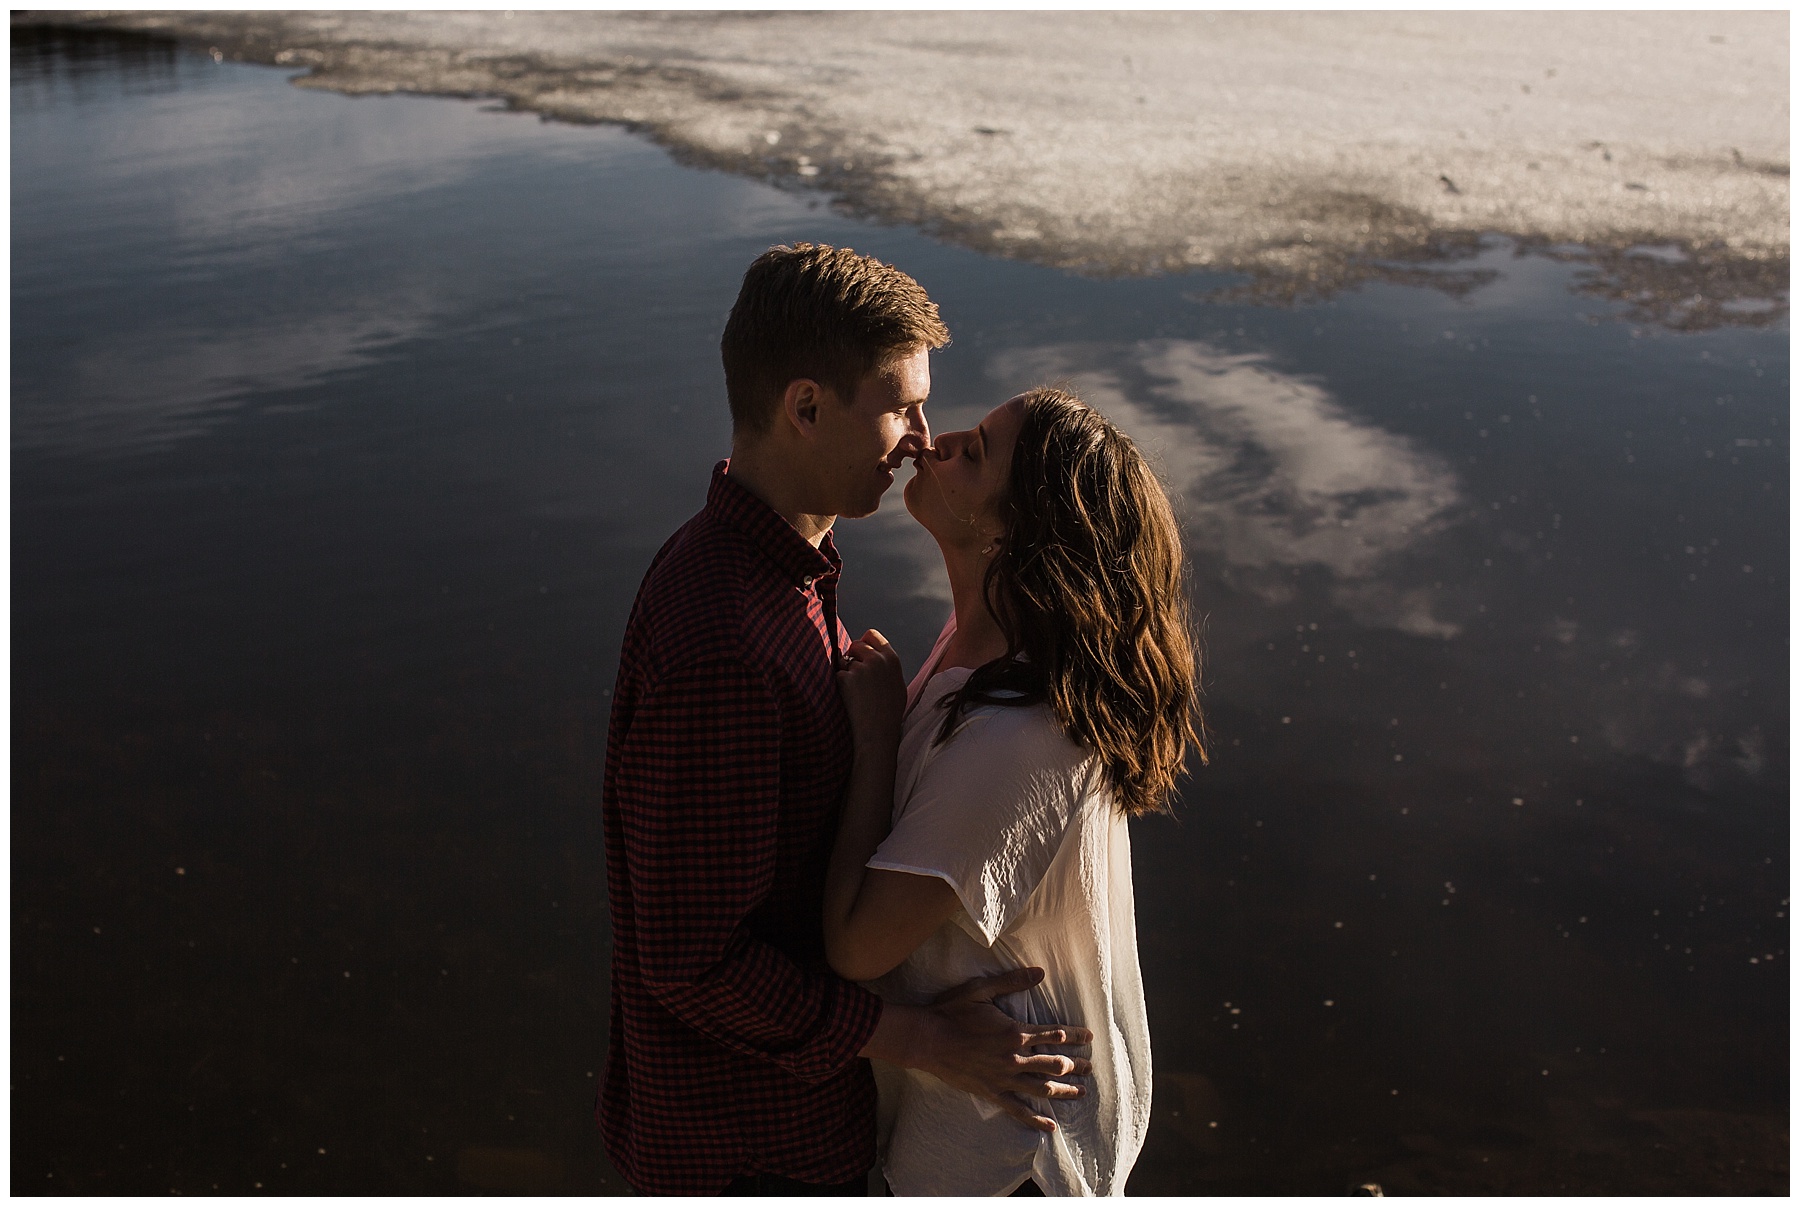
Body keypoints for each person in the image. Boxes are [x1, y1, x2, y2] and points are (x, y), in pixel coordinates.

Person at [599, 246, 1094, 1197]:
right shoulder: (729, 643)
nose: (920, 436)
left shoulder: (779, 575)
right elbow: (695, 965)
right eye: (899, 404)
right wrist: (927, 1040)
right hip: (747, 1148)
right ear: (808, 407)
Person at [826, 386, 1203, 1195]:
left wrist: (873, 738)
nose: (946, 438)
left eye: (979, 451)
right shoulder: (977, 651)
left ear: (1016, 533)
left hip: (1011, 1156)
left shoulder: (1019, 738)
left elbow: (857, 945)